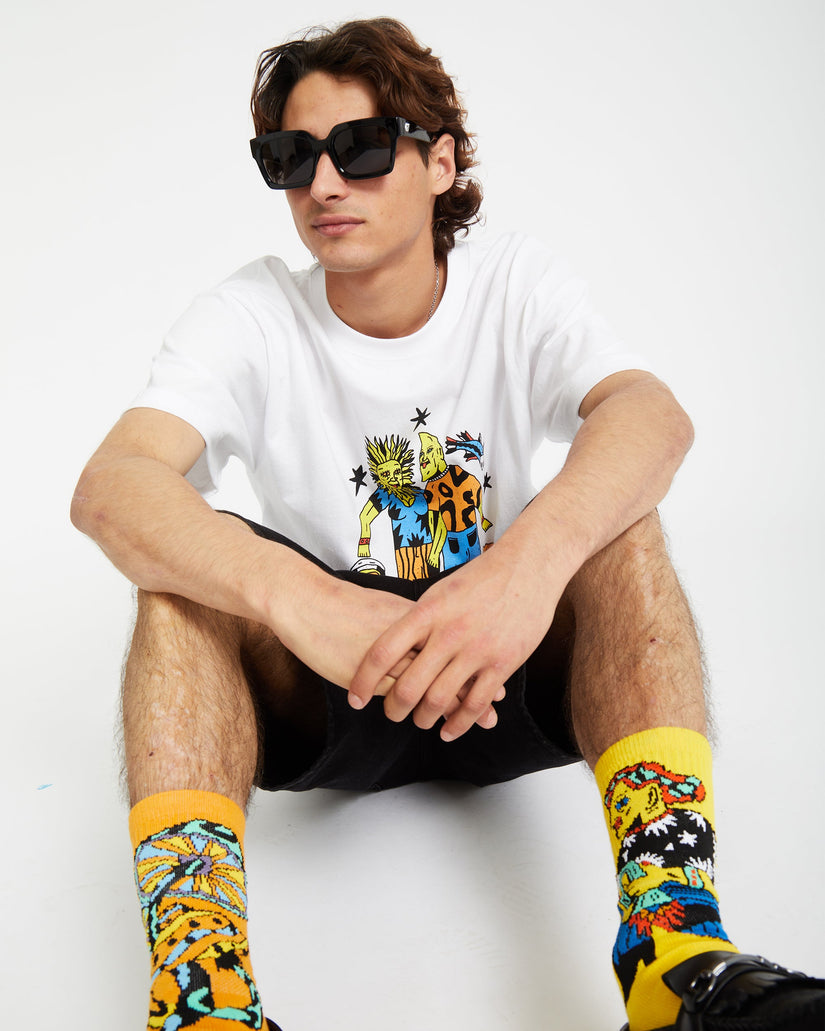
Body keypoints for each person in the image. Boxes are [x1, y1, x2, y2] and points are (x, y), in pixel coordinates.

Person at [70, 17, 824, 1031]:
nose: (323, 184)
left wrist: (526, 569)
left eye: (359, 148)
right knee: (176, 584)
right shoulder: (250, 315)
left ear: (440, 161)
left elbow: (651, 415)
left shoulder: (513, 282)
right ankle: (202, 999)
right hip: (330, 682)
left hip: (499, 661)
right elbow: (113, 485)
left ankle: (674, 953)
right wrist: (300, 598)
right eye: (291, 157)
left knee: (619, 518)